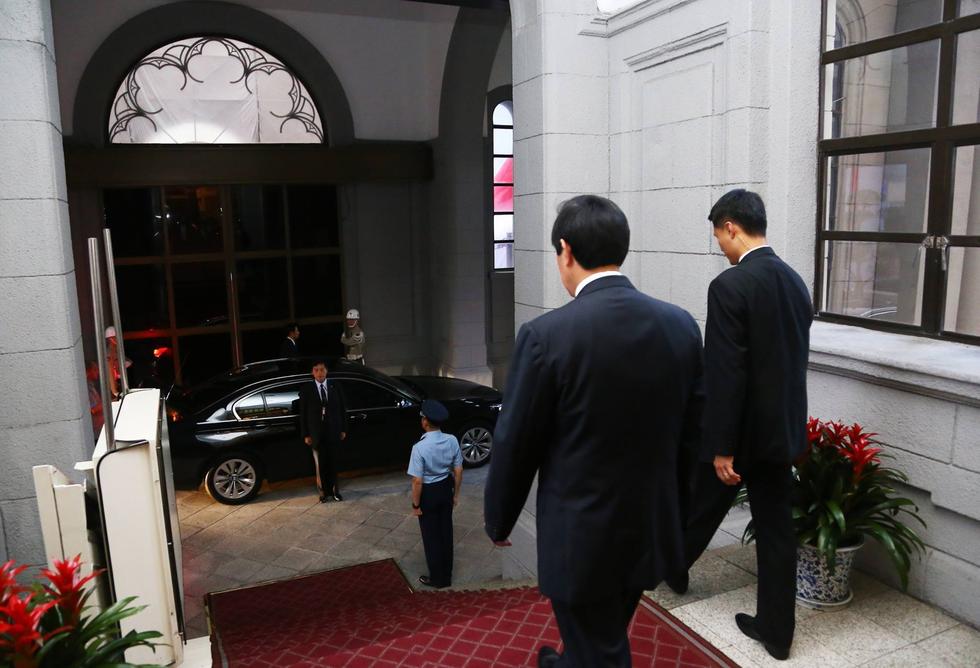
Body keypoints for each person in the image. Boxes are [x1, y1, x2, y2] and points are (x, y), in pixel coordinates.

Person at [484, 195, 704, 667]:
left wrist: (499, 519)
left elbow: (515, 442)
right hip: (649, 526)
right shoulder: (681, 326)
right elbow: (692, 436)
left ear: (565, 250)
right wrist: (677, 516)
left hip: (582, 539)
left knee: (601, 650)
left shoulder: (546, 336)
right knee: (602, 634)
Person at [665, 189, 812, 661]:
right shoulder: (795, 281)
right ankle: (777, 632)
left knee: (702, 504)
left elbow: (726, 373)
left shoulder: (730, 286)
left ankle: (673, 568)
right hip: (780, 433)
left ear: (731, 227)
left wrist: (723, 445)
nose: (720, 247)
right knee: (776, 531)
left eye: (718, 237)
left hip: (740, 434)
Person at [407, 399, 463, 589]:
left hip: (429, 494)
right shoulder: (452, 440)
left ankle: (438, 578)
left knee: (431, 536)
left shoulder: (419, 448)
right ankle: (447, 575)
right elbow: (458, 470)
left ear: (425, 422)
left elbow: (417, 481)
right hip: (446, 488)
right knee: (446, 532)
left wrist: (415, 505)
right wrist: (455, 495)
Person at [299, 360, 348, 502]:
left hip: (333, 431)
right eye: (316, 370)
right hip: (316, 434)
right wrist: (306, 434)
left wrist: (343, 429)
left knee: (333, 463)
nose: (320, 373)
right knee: (320, 465)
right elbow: (303, 414)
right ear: (312, 372)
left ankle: (335, 492)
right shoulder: (307, 389)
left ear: (326, 371)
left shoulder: (335, 386)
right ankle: (323, 493)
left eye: (322, 369)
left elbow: (342, 409)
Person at [104, 326, 131, 399]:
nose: (118, 339)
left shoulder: (116, 350)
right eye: (116, 337)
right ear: (110, 338)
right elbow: (110, 371)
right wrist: (115, 392)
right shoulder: (108, 353)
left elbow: (127, 363)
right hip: (114, 390)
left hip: (119, 384)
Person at [86, 360, 104, 439]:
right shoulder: (86, 387)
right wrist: (104, 404)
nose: (98, 372)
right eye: (95, 369)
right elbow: (91, 410)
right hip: (95, 432)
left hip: (100, 429)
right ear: (87, 371)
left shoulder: (90, 385)